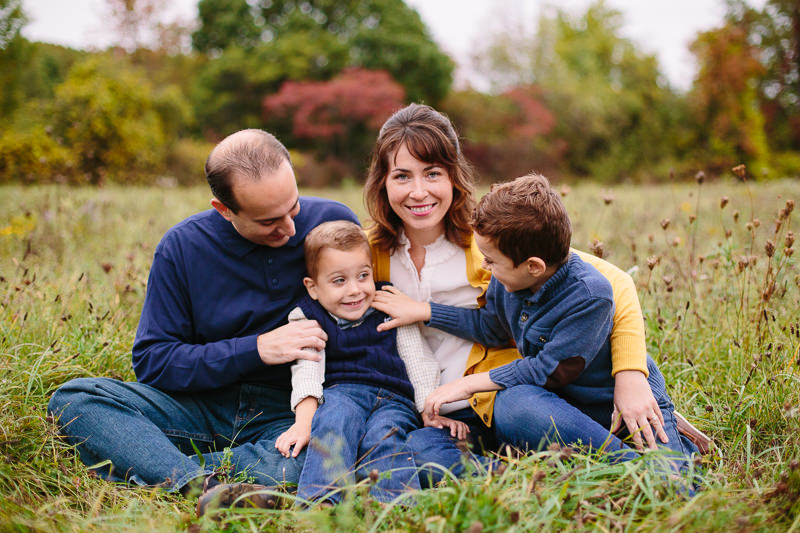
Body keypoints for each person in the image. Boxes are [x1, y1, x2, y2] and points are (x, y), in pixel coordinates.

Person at [363, 103, 709, 484]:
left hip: (502, 397)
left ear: (454, 177)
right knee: (421, 455)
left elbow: (615, 284)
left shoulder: (491, 241)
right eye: (401, 176)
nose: (418, 192)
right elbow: (322, 290)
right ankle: (524, 476)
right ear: (382, 181)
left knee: (520, 408)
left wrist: (630, 374)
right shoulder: (366, 253)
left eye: (432, 173)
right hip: (439, 411)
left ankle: (639, 467)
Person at [47, 129, 359, 516]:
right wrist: (257, 349)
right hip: (203, 406)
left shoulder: (333, 223)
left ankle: (161, 464)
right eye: (268, 221)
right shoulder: (182, 248)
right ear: (224, 209)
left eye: (292, 207)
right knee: (76, 400)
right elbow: (153, 362)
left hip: (291, 412)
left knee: (330, 448)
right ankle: (208, 482)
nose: (290, 228)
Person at [275, 220, 466, 504]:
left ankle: (395, 507)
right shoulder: (308, 316)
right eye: (339, 281)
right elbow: (307, 371)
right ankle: (322, 502)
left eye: (363, 276)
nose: (355, 290)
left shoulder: (387, 303)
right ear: (312, 287)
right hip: (343, 393)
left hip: (395, 399)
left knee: (386, 436)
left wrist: (427, 409)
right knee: (334, 422)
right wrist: (303, 423)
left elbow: (418, 359)